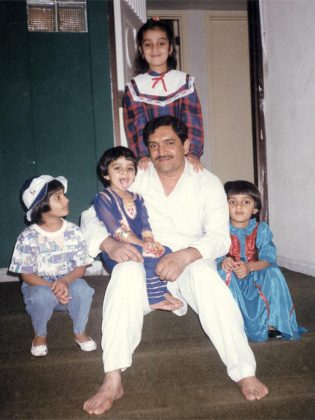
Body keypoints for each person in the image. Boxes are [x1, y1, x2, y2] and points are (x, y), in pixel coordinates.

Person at [81, 116, 268, 416]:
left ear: (186, 145)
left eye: (170, 143)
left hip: (190, 261)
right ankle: (113, 377)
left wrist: (183, 256)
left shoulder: (207, 182)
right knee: (125, 272)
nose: (161, 151)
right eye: (154, 146)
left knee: (208, 282)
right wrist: (110, 245)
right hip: (146, 264)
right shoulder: (137, 176)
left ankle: (244, 370)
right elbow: (91, 214)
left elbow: (220, 238)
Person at [9, 175, 97, 357]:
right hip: (40, 285)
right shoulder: (28, 236)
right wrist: (53, 287)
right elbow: (26, 275)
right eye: (58, 197)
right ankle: (39, 334)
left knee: (83, 289)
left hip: (68, 282)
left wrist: (65, 281)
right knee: (40, 296)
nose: (67, 199)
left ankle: (80, 330)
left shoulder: (74, 231)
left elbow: (81, 267)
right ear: (41, 205)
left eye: (63, 195)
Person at [93, 145, 183, 311]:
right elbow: (116, 230)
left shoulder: (137, 198)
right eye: (118, 168)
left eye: (130, 169)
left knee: (166, 251)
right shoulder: (103, 197)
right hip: (119, 249)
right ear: (106, 174)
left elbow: (144, 224)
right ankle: (153, 297)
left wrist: (149, 241)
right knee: (149, 255)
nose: (125, 173)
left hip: (139, 245)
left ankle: (161, 290)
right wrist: (143, 245)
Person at [216, 180, 305, 342]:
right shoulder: (220, 230)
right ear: (224, 206)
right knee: (222, 271)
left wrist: (249, 267)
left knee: (273, 272)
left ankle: (273, 323)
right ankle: (232, 324)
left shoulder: (261, 229)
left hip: (255, 273)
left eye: (246, 202)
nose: (239, 207)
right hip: (234, 278)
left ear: (255, 208)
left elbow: (268, 258)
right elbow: (212, 252)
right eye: (232, 202)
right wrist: (224, 260)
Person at [123, 17, 204, 170]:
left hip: (180, 156)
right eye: (148, 44)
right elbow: (136, 126)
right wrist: (143, 154)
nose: (155, 49)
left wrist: (192, 152)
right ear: (141, 50)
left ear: (170, 48)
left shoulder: (184, 82)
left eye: (161, 43)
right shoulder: (135, 87)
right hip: (151, 157)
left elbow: (193, 122)